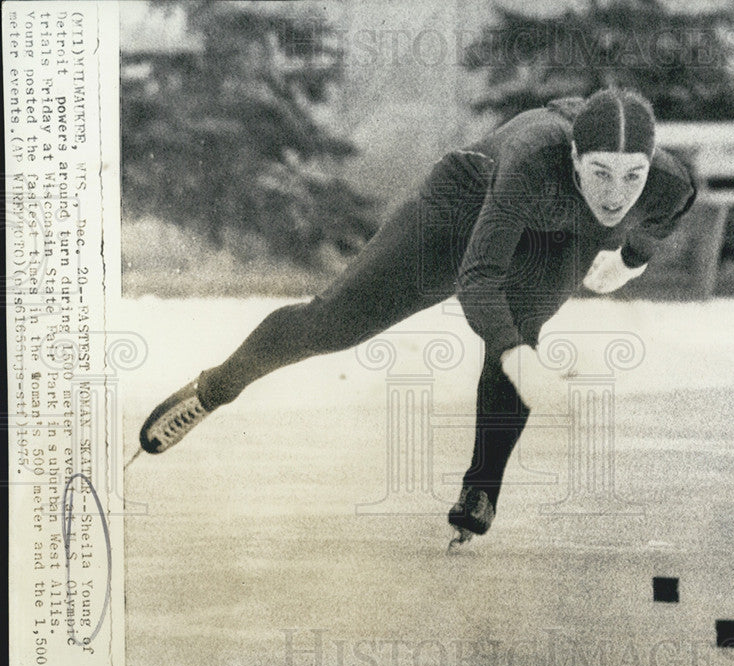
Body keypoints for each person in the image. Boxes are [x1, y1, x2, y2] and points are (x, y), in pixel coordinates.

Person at [137, 87, 697, 543]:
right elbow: (479, 277)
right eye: (600, 172)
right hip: (459, 214)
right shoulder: (533, 158)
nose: (615, 193)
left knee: (521, 333)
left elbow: (662, 217)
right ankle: (215, 388)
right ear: (574, 157)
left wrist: (629, 259)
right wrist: (512, 353)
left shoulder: (668, 184)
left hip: (554, 244)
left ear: (651, 166)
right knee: (332, 324)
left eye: (632, 176)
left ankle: (481, 489)